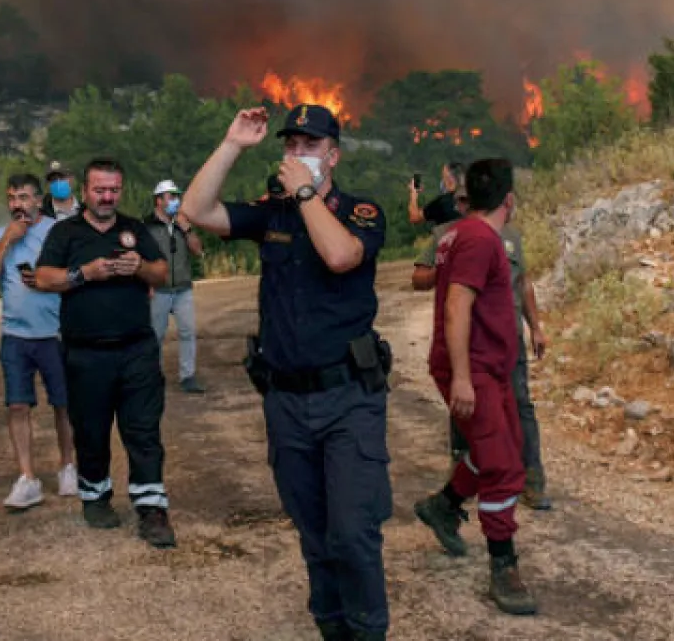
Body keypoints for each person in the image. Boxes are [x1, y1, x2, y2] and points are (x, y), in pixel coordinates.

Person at [184, 104, 391, 641]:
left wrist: (305, 195)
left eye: (310, 145)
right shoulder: (271, 213)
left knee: (352, 533)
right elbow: (196, 211)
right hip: (287, 402)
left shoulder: (361, 210)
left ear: (334, 155)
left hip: (348, 397)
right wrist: (231, 144)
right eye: (291, 145)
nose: (297, 155)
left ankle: (368, 632)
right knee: (315, 534)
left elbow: (341, 256)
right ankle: (332, 628)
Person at [413, 158, 537, 616]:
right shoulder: (480, 239)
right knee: (502, 466)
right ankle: (503, 566)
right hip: (474, 369)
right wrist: (463, 377)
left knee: (505, 447)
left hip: (491, 368)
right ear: (508, 198)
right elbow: (456, 307)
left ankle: (444, 506)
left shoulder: (459, 233)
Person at [34, 158, 175, 546]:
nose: (107, 197)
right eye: (100, 190)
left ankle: (152, 508)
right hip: (85, 353)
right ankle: (95, 498)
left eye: (113, 189)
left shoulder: (134, 229)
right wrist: (84, 274)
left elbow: (162, 274)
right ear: (85, 191)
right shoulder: (66, 233)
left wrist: (140, 267)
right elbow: (43, 278)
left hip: (136, 349)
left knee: (143, 430)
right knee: (91, 431)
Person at [412, 190, 552, 510]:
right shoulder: (448, 236)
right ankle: (462, 481)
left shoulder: (511, 236)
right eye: (462, 201)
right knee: (467, 411)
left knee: (520, 405)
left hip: (510, 341)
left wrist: (537, 327)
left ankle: (533, 480)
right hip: (470, 344)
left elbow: (523, 283)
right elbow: (418, 277)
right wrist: (445, 270)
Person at [0, 173, 76, 509]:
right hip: (15, 337)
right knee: (17, 405)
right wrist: (6, 241)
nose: (16, 204)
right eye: (12, 198)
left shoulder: (58, 232)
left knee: (63, 404)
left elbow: (77, 279)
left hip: (55, 334)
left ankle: (68, 466)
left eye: (23, 197)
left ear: (37, 199)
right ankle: (27, 478)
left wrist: (48, 282)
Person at [145, 179, 205, 394]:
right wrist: (147, 284)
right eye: (170, 196)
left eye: (176, 196)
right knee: (156, 335)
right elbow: (142, 259)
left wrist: (187, 229)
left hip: (183, 288)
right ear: (158, 201)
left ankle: (187, 376)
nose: (175, 201)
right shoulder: (147, 226)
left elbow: (198, 250)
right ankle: (154, 376)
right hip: (158, 289)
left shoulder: (182, 225)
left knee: (188, 332)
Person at [407, 162, 465, 227]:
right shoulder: (474, 197)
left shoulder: (442, 202)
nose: (443, 181)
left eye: (444, 177)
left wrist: (413, 194)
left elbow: (414, 217)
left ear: (450, 180)